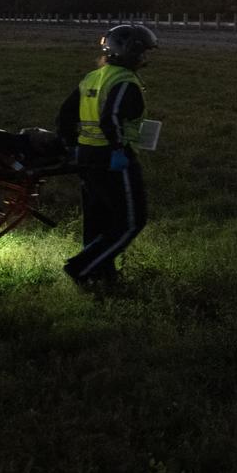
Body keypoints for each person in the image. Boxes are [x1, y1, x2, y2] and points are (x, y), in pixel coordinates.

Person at [58, 23, 159, 286]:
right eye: (144, 52)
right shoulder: (124, 81)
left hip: (87, 156)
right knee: (131, 221)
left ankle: (102, 273)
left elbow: (65, 114)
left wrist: (72, 146)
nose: (146, 58)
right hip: (113, 160)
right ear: (130, 51)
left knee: (98, 217)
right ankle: (82, 269)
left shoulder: (93, 76)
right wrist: (118, 150)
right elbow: (111, 117)